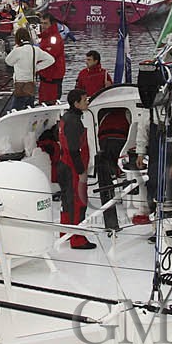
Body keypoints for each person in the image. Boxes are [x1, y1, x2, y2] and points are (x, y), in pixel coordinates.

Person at [53, 88, 95, 249]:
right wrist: (81, 172)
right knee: (79, 202)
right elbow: (73, 149)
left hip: (65, 166)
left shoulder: (67, 118)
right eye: (85, 100)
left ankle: (65, 232)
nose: (87, 102)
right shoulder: (73, 122)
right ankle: (77, 239)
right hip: (72, 168)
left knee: (67, 201)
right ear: (76, 103)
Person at [93, 103, 131, 231]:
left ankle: (110, 220)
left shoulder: (105, 115)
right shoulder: (127, 113)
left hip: (104, 142)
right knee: (123, 167)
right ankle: (124, 192)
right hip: (119, 141)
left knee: (106, 176)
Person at [3, 26, 54, 111]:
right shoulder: (35, 49)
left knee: (15, 111)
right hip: (31, 84)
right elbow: (51, 59)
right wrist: (36, 68)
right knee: (29, 109)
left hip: (20, 85)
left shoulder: (18, 50)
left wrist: (15, 49)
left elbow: (8, 61)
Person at [37, 13, 67, 105]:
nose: (43, 26)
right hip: (45, 77)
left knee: (51, 103)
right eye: (42, 23)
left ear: (52, 24)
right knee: (44, 102)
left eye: (45, 23)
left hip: (52, 77)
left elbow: (50, 55)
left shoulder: (54, 38)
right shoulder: (45, 38)